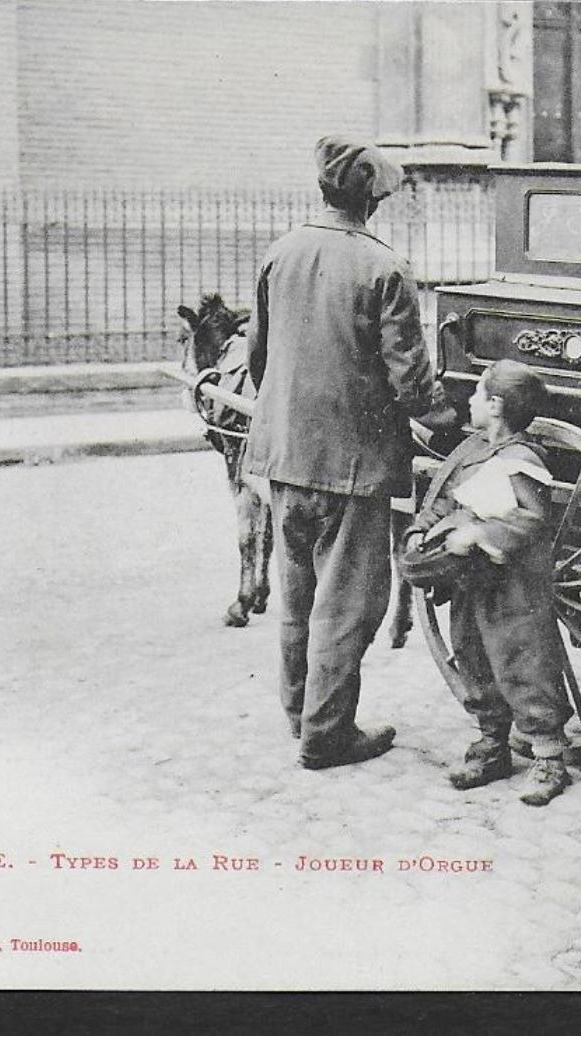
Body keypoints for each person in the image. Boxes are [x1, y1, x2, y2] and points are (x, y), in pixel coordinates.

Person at [245, 134, 454, 771]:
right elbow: (410, 380)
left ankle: (298, 712)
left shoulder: (281, 252)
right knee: (349, 606)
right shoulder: (383, 268)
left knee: (298, 595)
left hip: (285, 456)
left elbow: (259, 358)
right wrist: (445, 421)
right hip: (353, 466)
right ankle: (327, 736)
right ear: (371, 199)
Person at [404, 359, 573, 806]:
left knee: (523, 659)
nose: (470, 403)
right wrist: (422, 530)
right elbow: (442, 498)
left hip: (513, 588)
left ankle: (548, 756)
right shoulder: (470, 452)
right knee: (472, 653)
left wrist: (480, 533)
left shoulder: (523, 462)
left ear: (495, 406)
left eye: (477, 396)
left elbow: (531, 518)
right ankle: (491, 742)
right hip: (469, 581)